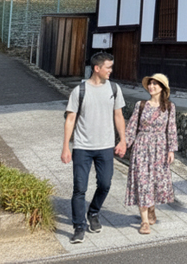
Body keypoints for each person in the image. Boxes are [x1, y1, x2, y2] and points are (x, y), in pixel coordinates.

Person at [62, 51, 126, 244]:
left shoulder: (114, 89)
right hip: (82, 147)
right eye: (108, 67)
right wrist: (66, 146)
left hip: (106, 146)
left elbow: (118, 116)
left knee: (105, 184)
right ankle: (79, 227)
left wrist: (122, 140)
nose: (111, 71)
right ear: (97, 68)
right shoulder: (79, 91)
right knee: (79, 188)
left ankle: (94, 212)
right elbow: (70, 119)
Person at [125, 73, 178, 235]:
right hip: (141, 146)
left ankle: (152, 207)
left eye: (155, 84)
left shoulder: (169, 107)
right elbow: (132, 126)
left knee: (156, 181)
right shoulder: (140, 105)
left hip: (160, 148)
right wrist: (124, 144)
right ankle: (144, 221)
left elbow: (172, 128)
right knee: (142, 181)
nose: (151, 86)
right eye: (150, 84)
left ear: (162, 88)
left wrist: (171, 150)